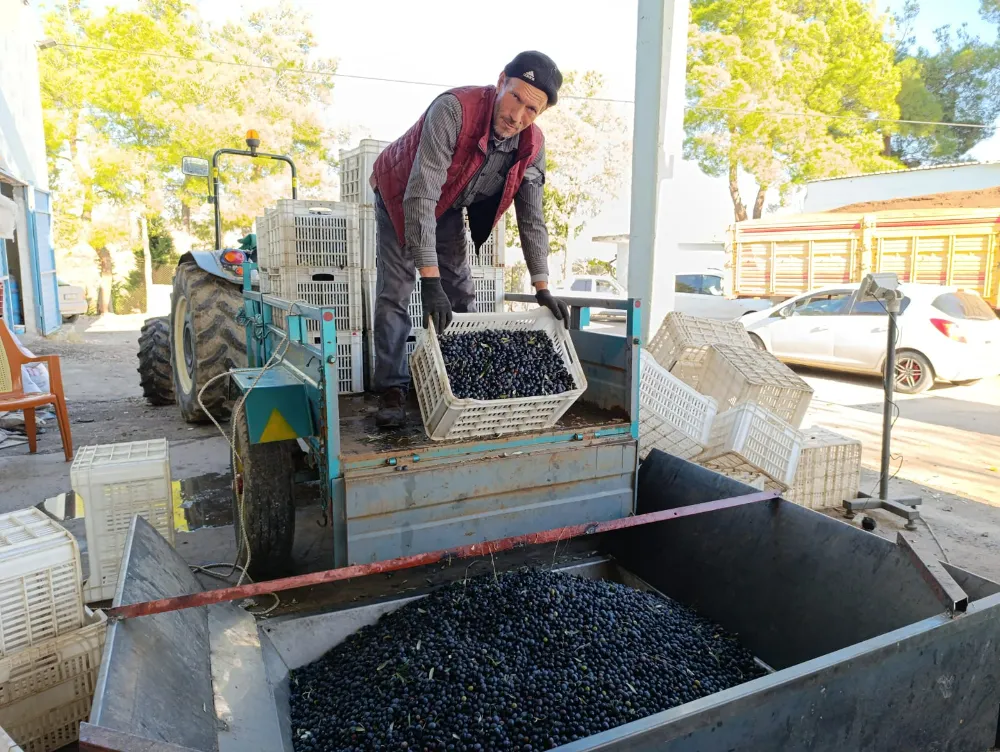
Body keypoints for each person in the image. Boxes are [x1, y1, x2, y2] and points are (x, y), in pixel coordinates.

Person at [369, 50, 570, 428]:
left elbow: (532, 219)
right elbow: (421, 196)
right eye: (515, 98)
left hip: (449, 201)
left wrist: (542, 286)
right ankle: (391, 388)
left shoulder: (532, 146)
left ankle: (457, 378)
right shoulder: (454, 110)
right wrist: (429, 279)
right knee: (397, 289)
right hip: (400, 193)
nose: (517, 116)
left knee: (460, 291)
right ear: (500, 82)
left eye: (531, 110)